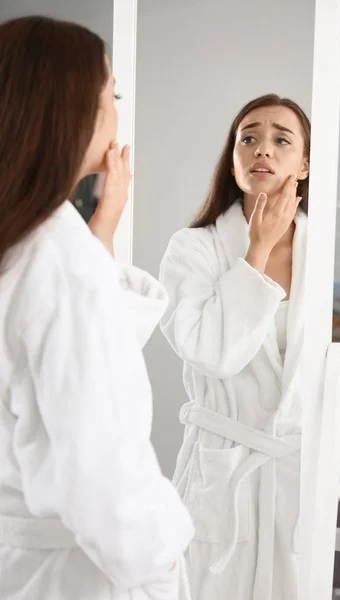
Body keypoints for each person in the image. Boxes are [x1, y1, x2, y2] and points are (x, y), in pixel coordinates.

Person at [0, 15, 194, 600]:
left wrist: (100, 228)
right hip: (77, 574)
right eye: (112, 95)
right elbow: (105, 478)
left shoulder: (31, 243)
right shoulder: (58, 261)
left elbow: (52, 374)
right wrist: (162, 571)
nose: (116, 112)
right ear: (66, 111)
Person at [159, 94, 310, 600]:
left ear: (304, 164)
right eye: (248, 138)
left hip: (299, 474)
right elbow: (213, 354)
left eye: (280, 139)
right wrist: (258, 251)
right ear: (233, 160)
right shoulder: (194, 248)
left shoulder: (323, 251)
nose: (262, 148)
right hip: (222, 475)